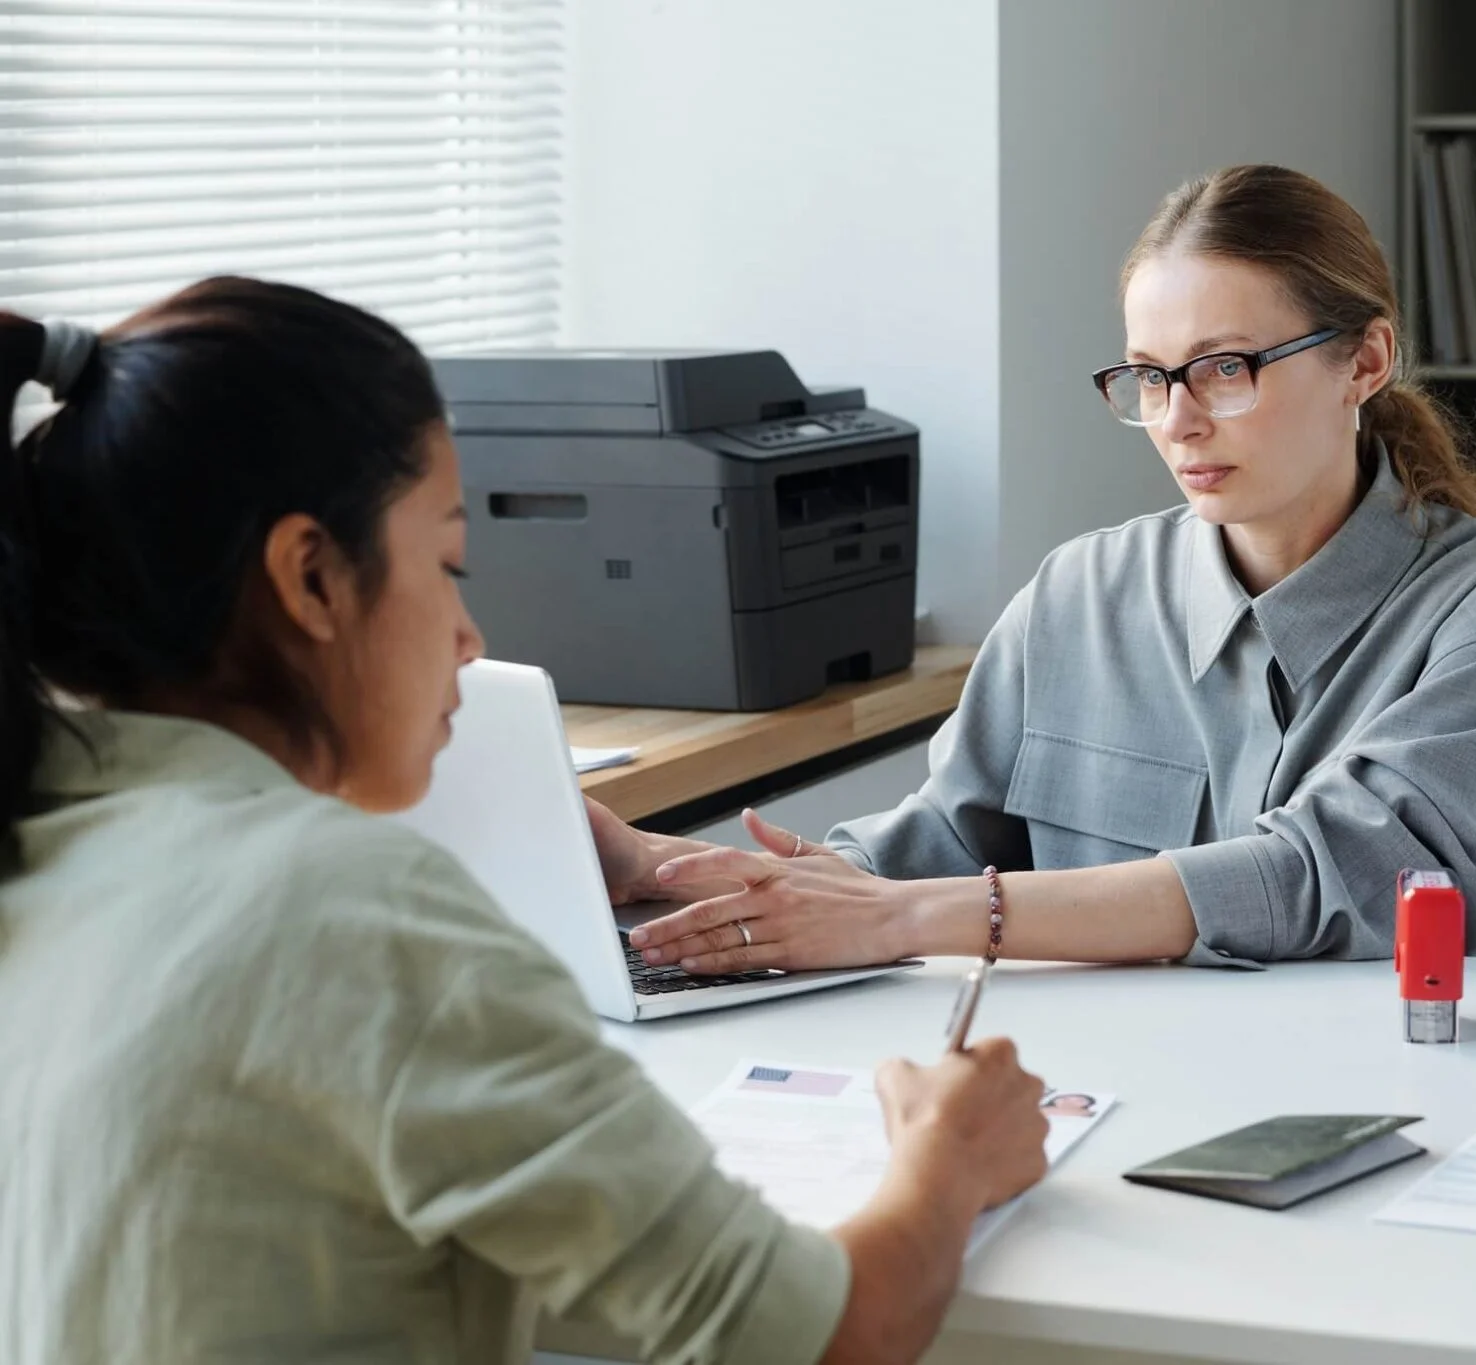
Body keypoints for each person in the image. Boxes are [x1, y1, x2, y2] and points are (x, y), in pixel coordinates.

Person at [0, 280, 1049, 1365]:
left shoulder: (42, 843)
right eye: (447, 565)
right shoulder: (353, 910)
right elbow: (826, 1333)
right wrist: (947, 1153)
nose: (467, 634)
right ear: (310, 576)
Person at [608, 164, 1476, 977]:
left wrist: (894, 917)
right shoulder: (1075, 595)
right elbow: (928, 855)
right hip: (1098, 1116)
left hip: (1401, 1128)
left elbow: (1321, 876)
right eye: (1147, 375)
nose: (1175, 420)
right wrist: (664, 869)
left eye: (1226, 368)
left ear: (1363, 362)